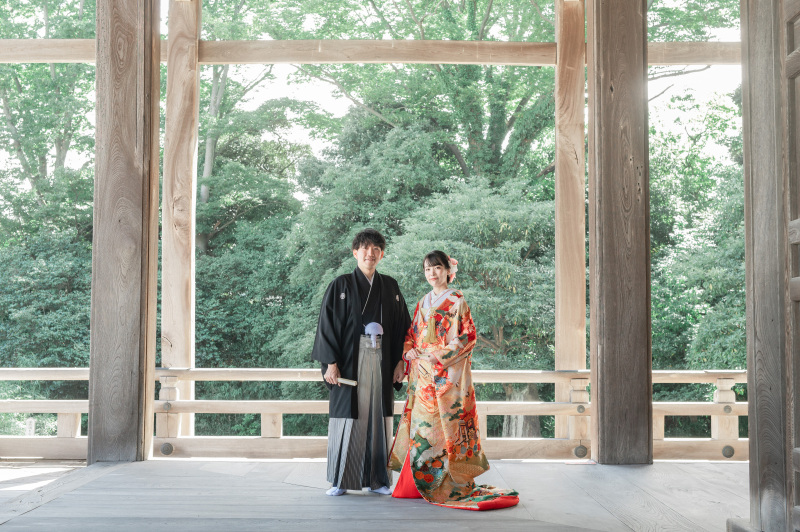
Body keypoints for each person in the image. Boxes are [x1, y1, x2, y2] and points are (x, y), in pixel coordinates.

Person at [388, 250, 519, 510]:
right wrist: (409, 351)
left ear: (448, 270)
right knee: (422, 428)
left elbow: (468, 336)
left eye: (437, 268)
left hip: (446, 375)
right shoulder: (423, 301)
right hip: (422, 376)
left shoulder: (457, 300)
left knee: (446, 428)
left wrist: (438, 355)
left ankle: (448, 484)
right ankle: (418, 482)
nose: (432, 273)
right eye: (427, 269)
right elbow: (411, 334)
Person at [311, 228, 411, 496]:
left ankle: (378, 480)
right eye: (365, 248)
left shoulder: (390, 286)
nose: (371, 253)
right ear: (355, 252)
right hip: (349, 361)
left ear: (382, 254)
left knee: (378, 418)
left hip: (382, 359)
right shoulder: (340, 285)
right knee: (348, 419)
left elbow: (404, 328)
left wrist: (401, 362)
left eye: (376, 249)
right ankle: (341, 480)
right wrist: (330, 362)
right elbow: (326, 326)